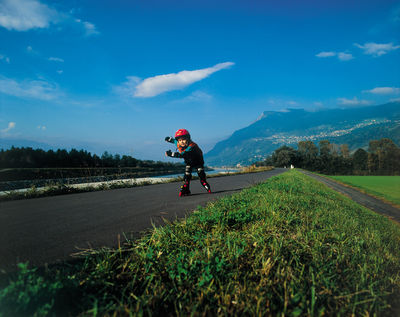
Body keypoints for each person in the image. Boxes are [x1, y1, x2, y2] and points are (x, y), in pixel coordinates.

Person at [165, 129, 211, 197]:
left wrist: (171, 154)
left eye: (183, 139)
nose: (182, 142)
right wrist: (168, 139)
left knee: (200, 172)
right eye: (180, 140)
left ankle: (203, 181)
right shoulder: (178, 142)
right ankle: (186, 187)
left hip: (198, 160)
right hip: (189, 161)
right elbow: (174, 141)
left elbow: (183, 154)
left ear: (188, 139)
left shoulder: (192, 146)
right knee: (187, 174)